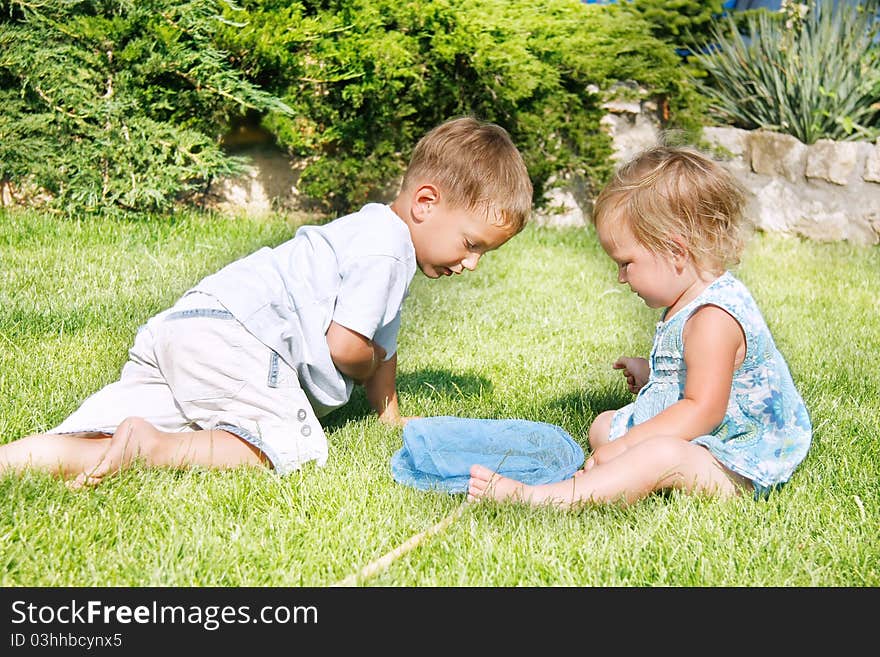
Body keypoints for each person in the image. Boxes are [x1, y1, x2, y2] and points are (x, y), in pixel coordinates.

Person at [1, 116, 533, 487]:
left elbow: (383, 346)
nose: (471, 264)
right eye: (471, 244)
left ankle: (19, 459)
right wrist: (367, 364)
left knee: (108, 425)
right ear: (425, 203)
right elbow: (351, 346)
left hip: (189, 325)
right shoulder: (387, 251)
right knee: (282, 446)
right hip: (241, 341)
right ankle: (151, 449)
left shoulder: (367, 232)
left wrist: (388, 413)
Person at [469, 145, 812, 508]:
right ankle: (624, 468)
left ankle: (546, 498)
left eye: (625, 263)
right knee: (603, 427)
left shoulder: (712, 318)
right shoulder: (689, 299)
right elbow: (703, 374)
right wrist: (653, 375)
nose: (620, 278)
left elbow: (703, 409)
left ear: (675, 251)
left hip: (737, 461)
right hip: (711, 436)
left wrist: (629, 446)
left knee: (658, 455)